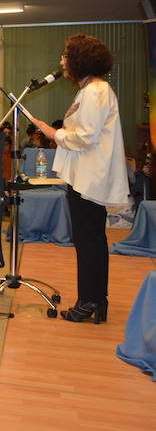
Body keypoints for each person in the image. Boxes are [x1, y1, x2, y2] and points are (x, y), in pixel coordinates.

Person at [31, 34, 129, 324]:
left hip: (89, 180)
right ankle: (94, 299)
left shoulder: (95, 91)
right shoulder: (91, 90)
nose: (61, 61)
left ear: (80, 60)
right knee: (90, 241)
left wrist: (52, 133)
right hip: (86, 178)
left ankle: (90, 301)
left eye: (65, 56)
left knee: (89, 242)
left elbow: (85, 138)